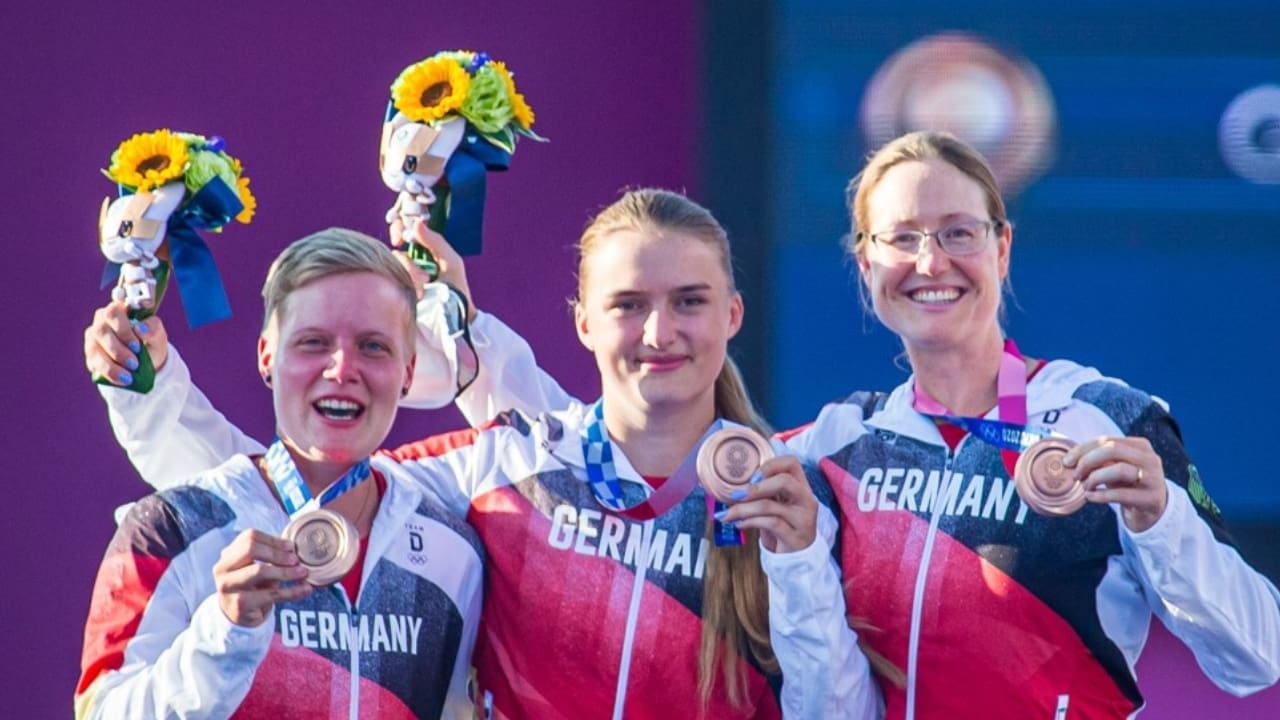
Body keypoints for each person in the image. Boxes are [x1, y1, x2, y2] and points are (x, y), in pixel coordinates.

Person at [327, 134, 1280, 717]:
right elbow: (616, 457)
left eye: (957, 232)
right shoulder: (835, 448)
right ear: (865, 265)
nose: (930, 261)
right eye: (900, 239)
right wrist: (465, 332)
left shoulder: (1107, 421)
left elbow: (1255, 661)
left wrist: (1165, 522)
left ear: (1002, 246)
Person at [83, 189, 884, 719]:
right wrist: (149, 394)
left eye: (690, 302)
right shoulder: (499, 471)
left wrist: (799, 561)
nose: (659, 331)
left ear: (734, 314)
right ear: (583, 321)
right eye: (628, 304)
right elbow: (297, 482)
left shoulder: (787, 498)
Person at [76, 228, 485, 719]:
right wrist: (223, 631)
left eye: (373, 347)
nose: (341, 369)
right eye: (313, 342)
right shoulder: (169, 529)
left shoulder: (454, 554)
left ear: (409, 372)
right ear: (267, 357)